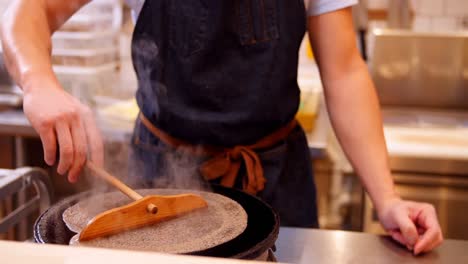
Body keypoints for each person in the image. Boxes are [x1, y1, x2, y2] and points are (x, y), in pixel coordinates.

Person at [1, 0, 443, 255]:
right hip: (157, 181)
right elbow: (28, 9)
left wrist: (387, 198)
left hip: (276, 180)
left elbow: (344, 70)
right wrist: (39, 83)